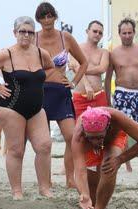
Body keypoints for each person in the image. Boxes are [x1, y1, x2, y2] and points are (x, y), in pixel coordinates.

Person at [0, 16, 54, 199]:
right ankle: (17, 191)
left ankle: (44, 188)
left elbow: (51, 68)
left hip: (36, 107)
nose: (26, 35)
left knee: (44, 146)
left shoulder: (41, 53)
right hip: (11, 106)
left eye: (30, 32)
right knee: (16, 149)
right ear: (15, 33)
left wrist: (45, 81)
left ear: (34, 34)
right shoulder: (6, 54)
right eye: (22, 31)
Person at [35, 2, 88, 188]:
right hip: (39, 94)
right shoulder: (33, 39)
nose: (47, 20)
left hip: (61, 92)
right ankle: (46, 181)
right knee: (44, 142)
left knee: (72, 136)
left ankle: (70, 178)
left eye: (50, 16)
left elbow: (84, 62)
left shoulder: (65, 37)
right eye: (43, 16)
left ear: (55, 17)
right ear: (38, 19)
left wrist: (73, 82)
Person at [72, 107, 138, 209]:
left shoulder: (117, 118)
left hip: (114, 137)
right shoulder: (79, 135)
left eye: (98, 137)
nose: (95, 141)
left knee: (108, 166)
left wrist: (120, 160)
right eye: (92, 137)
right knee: (91, 179)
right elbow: (79, 170)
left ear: (108, 126)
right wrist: (84, 193)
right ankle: (94, 207)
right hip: (86, 141)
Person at [105, 18, 138, 171]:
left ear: (134, 32)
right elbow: (108, 78)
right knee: (122, 130)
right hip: (122, 95)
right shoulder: (113, 53)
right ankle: (127, 165)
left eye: (130, 32)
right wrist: (108, 101)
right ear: (119, 34)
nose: (127, 36)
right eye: (124, 33)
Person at [70, 20, 109, 118]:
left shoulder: (104, 52)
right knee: (78, 128)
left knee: (102, 128)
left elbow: (102, 68)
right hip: (80, 96)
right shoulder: (76, 48)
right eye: (95, 31)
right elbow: (74, 66)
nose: (97, 34)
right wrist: (87, 85)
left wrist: (81, 69)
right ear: (87, 31)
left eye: (100, 33)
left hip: (99, 96)